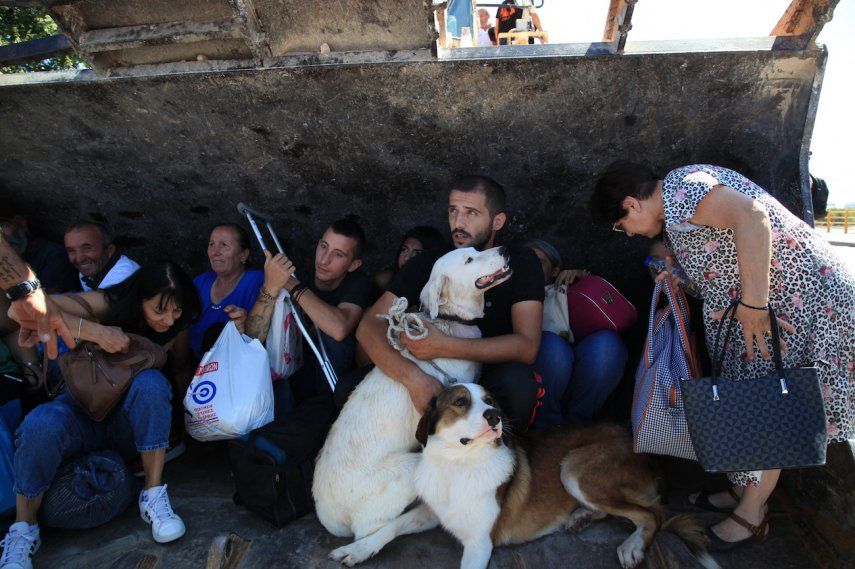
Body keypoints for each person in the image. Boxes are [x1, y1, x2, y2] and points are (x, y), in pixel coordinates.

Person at [590, 161, 854, 550]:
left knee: (769, 405)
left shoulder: (681, 189)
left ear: (632, 204)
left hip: (807, 307)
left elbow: (752, 216)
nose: (628, 234)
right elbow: (720, 264)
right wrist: (678, 277)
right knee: (755, 399)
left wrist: (753, 304)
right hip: (778, 310)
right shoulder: (679, 213)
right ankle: (744, 491)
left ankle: (752, 516)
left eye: (621, 225)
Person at [0, 262, 202, 568]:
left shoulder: (177, 326)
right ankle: (23, 529)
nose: (168, 319)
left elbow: (180, 367)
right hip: (77, 410)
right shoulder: (107, 302)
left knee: (151, 383)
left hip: (125, 425)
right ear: (138, 300)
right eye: (159, 309)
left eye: (176, 312)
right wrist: (95, 332)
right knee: (40, 422)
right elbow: (20, 312)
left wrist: (194, 427)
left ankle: (153, 496)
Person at [357, 175, 544, 432]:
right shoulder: (431, 264)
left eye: (471, 213)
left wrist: (445, 346)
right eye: (453, 211)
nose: (458, 223)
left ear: (497, 221)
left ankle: (503, 460)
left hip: (492, 375)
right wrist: (413, 379)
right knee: (348, 388)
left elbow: (527, 346)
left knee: (519, 385)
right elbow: (369, 326)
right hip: (430, 372)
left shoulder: (518, 261)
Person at [246, 219, 371, 415]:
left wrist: (293, 286)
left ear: (353, 265)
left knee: (332, 338)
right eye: (323, 247)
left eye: (338, 254)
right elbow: (252, 337)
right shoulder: (301, 272)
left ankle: (322, 416)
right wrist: (271, 286)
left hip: (331, 378)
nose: (324, 260)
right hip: (294, 369)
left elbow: (339, 329)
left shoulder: (358, 282)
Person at [524, 239, 627, 427]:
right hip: (542, 371)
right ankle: (545, 429)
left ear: (555, 271)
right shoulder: (512, 294)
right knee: (552, 346)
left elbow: (602, 301)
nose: (530, 265)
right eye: (525, 261)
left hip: (583, 367)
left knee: (608, 344)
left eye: (538, 261)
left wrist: (582, 277)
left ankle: (577, 427)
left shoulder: (568, 288)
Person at [187, 224, 262, 359]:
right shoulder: (200, 282)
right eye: (212, 244)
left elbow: (262, 333)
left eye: (224, 245)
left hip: (235, 364)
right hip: (195, 364)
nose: (215, 252)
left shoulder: (256, 281)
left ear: (243, 254)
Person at [1, 215, 77, 294]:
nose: (1, 237)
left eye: (3, 225)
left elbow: (48, 298)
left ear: (21, 223)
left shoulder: (53, 254)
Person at [64, 222, 140, 292]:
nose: (79, 259)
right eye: (71, 251)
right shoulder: (89, 270)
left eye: (87, 248)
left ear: (109, 250)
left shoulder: (123, 276)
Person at [371, 225, 447, 294]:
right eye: (404, 249)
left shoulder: (441, 289)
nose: (407, 258)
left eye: (417, 253)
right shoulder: (384, 280)